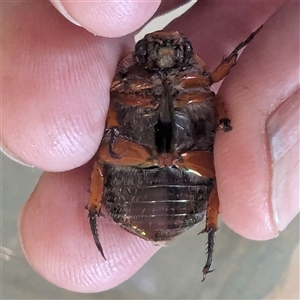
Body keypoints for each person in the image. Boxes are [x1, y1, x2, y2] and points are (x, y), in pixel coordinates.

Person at [1, 0, 299, 293]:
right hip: (163, 176)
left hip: (160, 173)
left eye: (175, 51)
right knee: (113, 156)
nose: (165, 56)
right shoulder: (147, 84)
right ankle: (95, 209)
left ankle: (204, 227)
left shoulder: (195, 85)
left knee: (126, 157)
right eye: (151, 51)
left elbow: (217, 98)